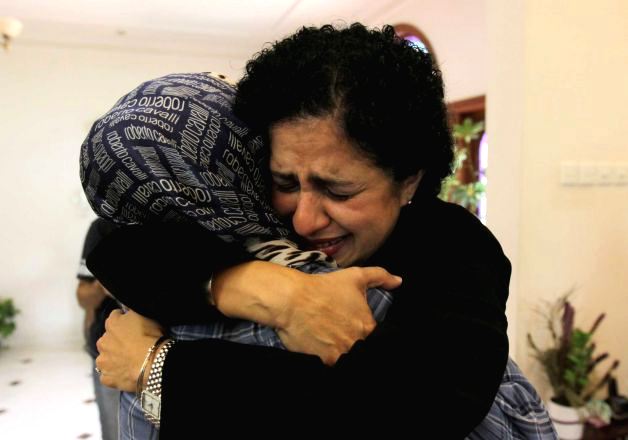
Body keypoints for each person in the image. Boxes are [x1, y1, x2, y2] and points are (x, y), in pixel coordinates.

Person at [84, 24, 555, 438]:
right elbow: (114, 246)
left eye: (339, 190)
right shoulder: (248, 217)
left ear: (409, 179)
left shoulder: (454, 248)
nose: (304, 220)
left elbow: (409, 410)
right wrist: (267, 291)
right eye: (285, 182)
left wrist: (157, 368)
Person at [76, 218, 119, 440]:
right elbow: (83, 295)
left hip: (166, 350)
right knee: (113, 430)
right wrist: (104, 284)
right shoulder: (103, 228)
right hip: (109, 353)